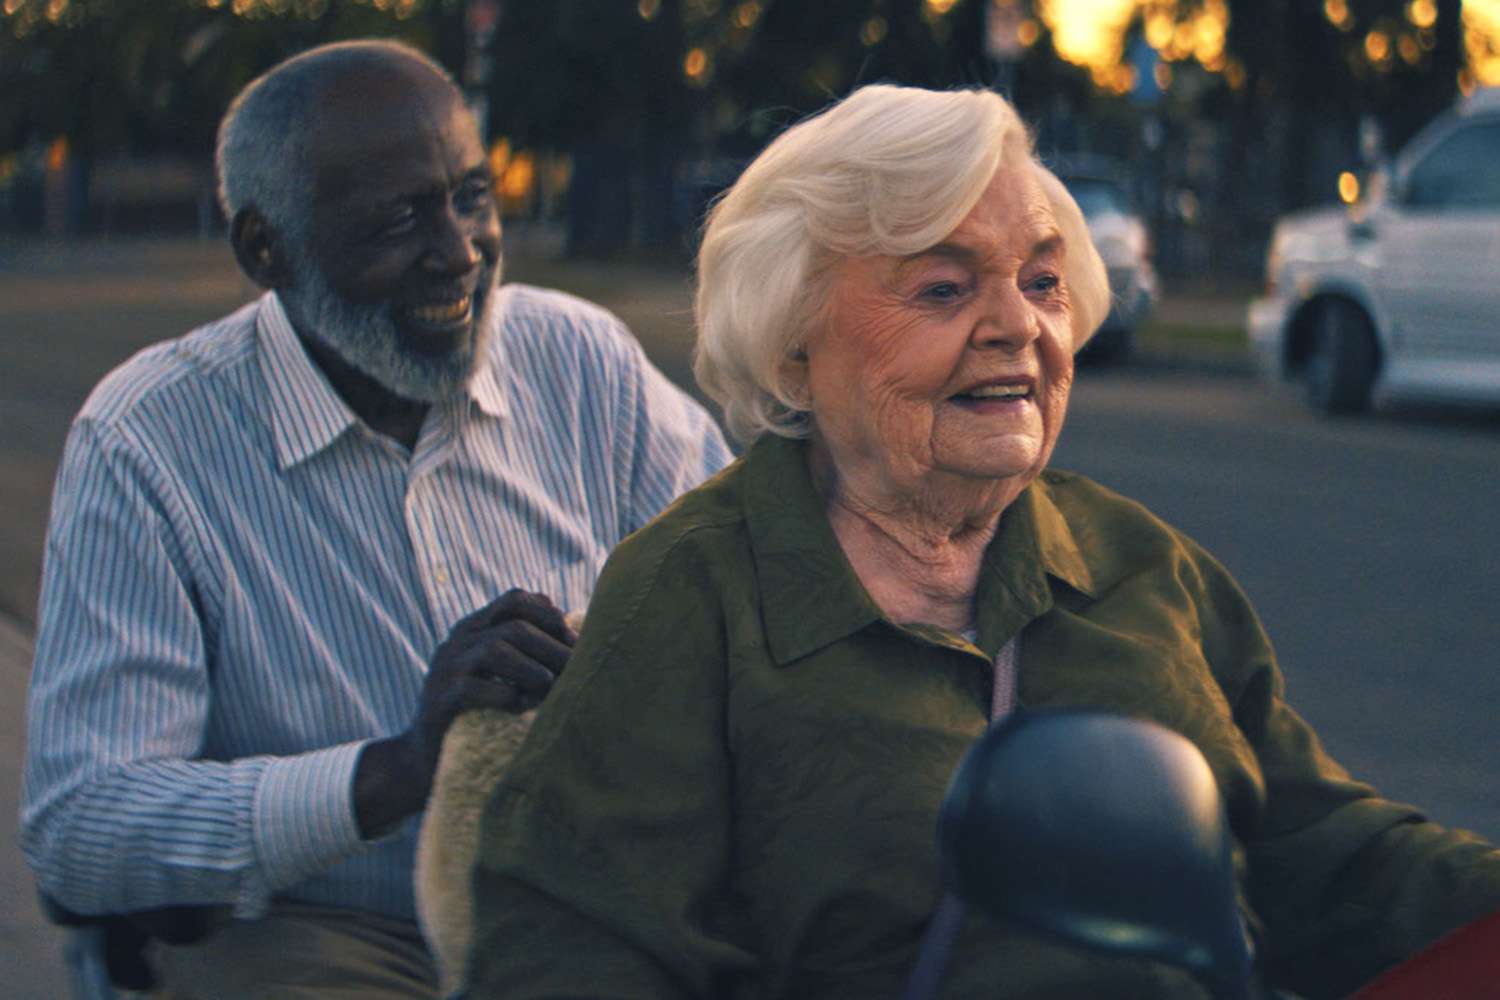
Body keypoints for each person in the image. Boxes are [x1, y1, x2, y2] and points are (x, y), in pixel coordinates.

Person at [449, 84, 1500, 998]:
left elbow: (1329, 860)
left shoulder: (1142, 565)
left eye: (1041, 281)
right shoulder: (688, 599)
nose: (1020, 326)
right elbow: (571, 958)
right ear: (793, 342)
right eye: (944, 288)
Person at [19, 39, 730, 998]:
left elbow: (739, 587)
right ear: (265, 251)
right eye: (399, 219)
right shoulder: (146, 440)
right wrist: (397, 769)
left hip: (588, 908)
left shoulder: (580, 357)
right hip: (330, 928)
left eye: (472, 195)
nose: (461, 250)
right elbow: (84, 832)